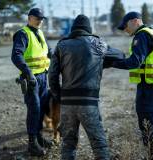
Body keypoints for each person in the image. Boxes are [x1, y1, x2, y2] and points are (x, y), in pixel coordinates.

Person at [49, 14, 125, 160]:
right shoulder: (98, 44)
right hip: (89, 103)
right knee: (99, 144)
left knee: (68, 143)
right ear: (88, 29)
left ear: (73, 29)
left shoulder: (61, 45)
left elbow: (52, 77)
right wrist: (100, 62)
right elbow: (120, 55)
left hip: (67, 103)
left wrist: (59, 97)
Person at [112, 12, 153, 160]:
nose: (125, 30)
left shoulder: (141, 35)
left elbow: (135, 62)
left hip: (149, 88)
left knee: (148, 126)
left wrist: (112, 63)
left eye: (125, 26)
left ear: (135, 21)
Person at [11, 8, 53, 156]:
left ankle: (39, 137)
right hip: (31, 79)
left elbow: (49, 52)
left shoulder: (40, 33)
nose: (40, 20)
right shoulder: (23, 33)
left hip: (43, 77)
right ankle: (32, 143)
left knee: (41, 108)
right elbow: (16, 55)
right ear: (29, 18)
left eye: (42, 18)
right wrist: (28, 73)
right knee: (34, 108)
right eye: (37, 18)